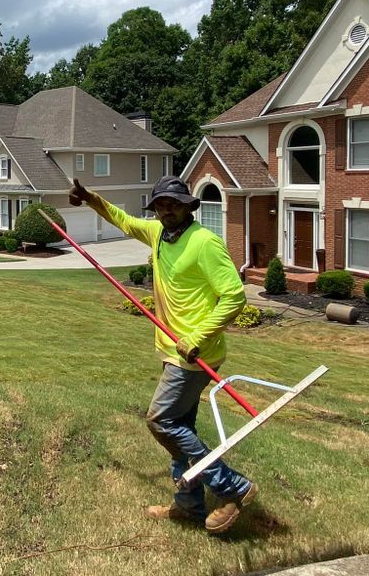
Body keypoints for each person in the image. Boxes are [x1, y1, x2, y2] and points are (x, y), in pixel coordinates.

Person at [68, 175, 256, 534]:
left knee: (161, 421)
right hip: (173, 351)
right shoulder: (158, 234)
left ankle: (234, 487)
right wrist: (91, 198)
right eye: (160, 204)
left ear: (188, 206)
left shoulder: (204, 242)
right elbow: (123, 220)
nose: (166, 210)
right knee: (179, 428)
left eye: (173, 203)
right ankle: (188, 504)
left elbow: (234, 296)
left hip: (195, 355)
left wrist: (198, 337)